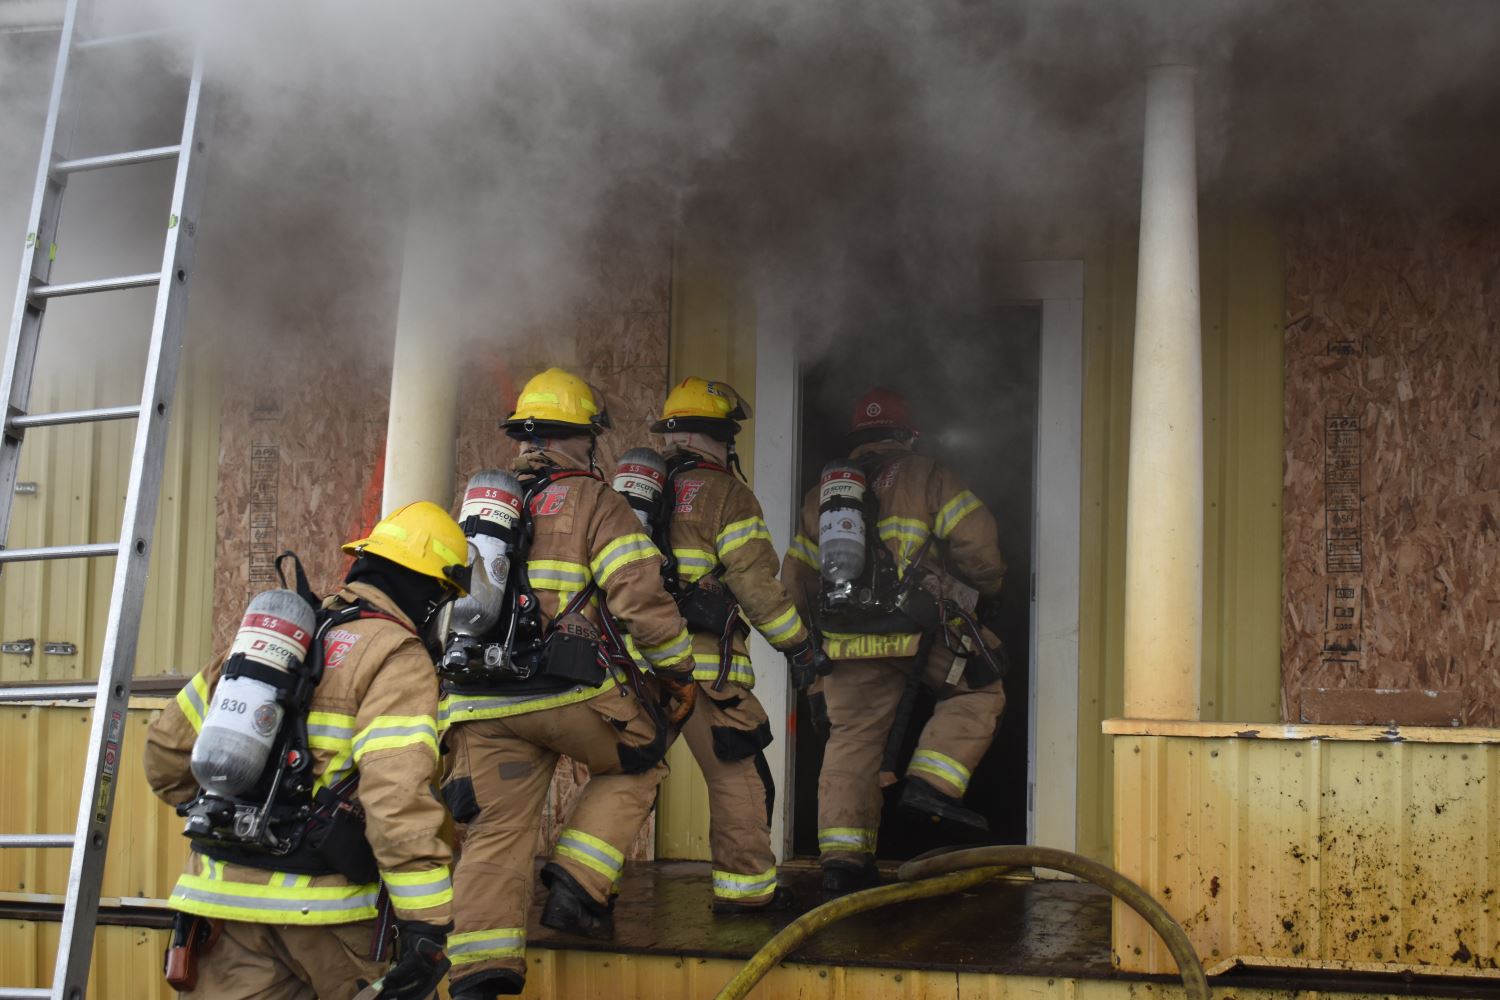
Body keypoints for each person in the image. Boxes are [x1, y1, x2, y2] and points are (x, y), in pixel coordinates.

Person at [440, 367, 697, 1000]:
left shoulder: (479, 508)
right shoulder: (596, 499)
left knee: (497, 831)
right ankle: (577, 888)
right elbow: (638, 596)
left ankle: (478, 972)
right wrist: (678, 671)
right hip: (567, 691)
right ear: (582, 437)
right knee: (641, 758)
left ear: (524, 437)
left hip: (478, 699)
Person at [144, 501, 468, 999]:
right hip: (328, 913)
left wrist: (234, 819)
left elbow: (166, 753)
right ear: (431, 597)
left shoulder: (267, 642)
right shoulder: (394, 653)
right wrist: (427, 922)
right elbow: (396, 796)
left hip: (220, 905)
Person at [557, 376, 824, 913]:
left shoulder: (630, 495)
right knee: (737, 773)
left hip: (635, 664)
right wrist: (798, 646)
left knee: (628, 774)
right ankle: (745, 893)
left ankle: (577, 888)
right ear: (724, 436)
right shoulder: (727, 494)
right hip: (706, 671)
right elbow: (756, 585)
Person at [782, 387, 1007, 897]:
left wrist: (807, 647)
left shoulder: (822, 496)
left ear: (857, 441)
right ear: (908, 435)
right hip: (920, 631)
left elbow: (795, 579)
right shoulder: (928, 474)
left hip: (846, 643)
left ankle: (842, 861)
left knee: (851, 740)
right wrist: (988, 590)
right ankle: (932, 786)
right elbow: (979, 547)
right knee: (979, 688)